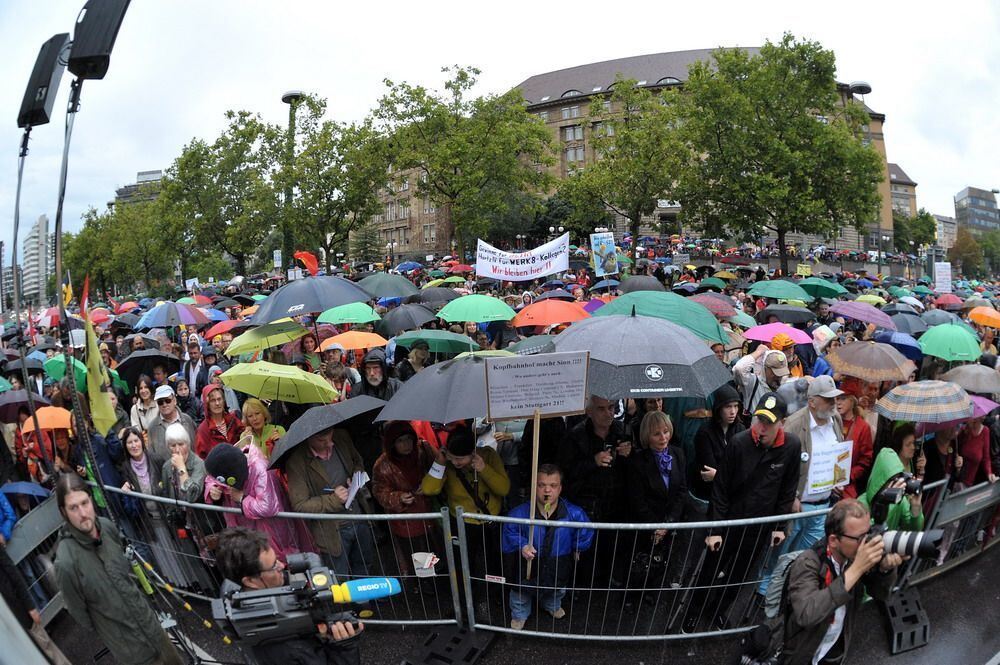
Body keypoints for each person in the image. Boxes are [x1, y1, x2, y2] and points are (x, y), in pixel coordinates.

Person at [684, 392, 801, 632]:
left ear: (782, 422)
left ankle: (718, 610)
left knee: (739, 575)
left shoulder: (791, 446)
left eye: (769, 422)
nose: (762, 427)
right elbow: (721, 489)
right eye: (760, 420)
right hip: (730, 523)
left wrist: (779, 527)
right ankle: (693, 612)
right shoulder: (739, 443)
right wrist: (714, 529)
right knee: (710, 570)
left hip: (759, 527)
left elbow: (787, 489)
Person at [54, 474, 184, 665]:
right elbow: (80, 614)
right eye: (73, 507)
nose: (82, 513)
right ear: (63, 512)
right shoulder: (65, 563)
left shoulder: (107, 528)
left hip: (154, 630)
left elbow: (125, 576)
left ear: (91, 499)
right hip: (131, 651)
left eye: (84, 503)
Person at [213, 528, 362, 665]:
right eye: (273, 566)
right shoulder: (289, 650)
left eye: (277, 559)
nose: (282, 566)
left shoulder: (233, 592)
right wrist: (344, 648)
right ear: (250, 581)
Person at [781, 499, 902, 665]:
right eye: (860, 538)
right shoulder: (808, 562)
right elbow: (806, 614)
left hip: (834, 649)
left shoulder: (852, 557)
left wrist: (885, 570)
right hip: (803, 653)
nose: (866, 543)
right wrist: (857, 569)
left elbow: (880, 594)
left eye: (869, 533)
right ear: (833, 540)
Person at [501, 464, 594, 630]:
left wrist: (578, 547)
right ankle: (520, 614)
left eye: (553, 485)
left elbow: (585, 531)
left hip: (559, 558)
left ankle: (551, 605)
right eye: (541, 485)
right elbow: (509, 531)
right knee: (521, 591)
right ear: (534, 486)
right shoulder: (519, 513)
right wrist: (522, 545)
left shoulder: (574, 513)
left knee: (557, 588)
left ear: (560, 488)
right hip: (529, 560)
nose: (547, 491)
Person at [422, 427, 509, 589]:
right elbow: (429, 489)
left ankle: (497, 592)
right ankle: (466, 598)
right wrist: (440, 462)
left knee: (494, 559)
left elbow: (503, 488)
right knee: (463, 563)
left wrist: (484, 469)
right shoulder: (445, 462)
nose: (456, 462)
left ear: (473, 452)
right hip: (462, 522)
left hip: (489, 519)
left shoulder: (488, 455)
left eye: (461, 458)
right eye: (453, 457)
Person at [285, 425, 375, 580]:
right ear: (308, 438)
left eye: (330, 436)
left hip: (359, 519)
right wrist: (333, 500)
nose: (329, 443)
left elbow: (357, 461)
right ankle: (348, 604)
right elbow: (300, 505)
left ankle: (366, 601)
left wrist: (355, 476)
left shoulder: (341, 437)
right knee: (340, 577)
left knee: (365, 565)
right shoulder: (297, 462)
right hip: (333, 531)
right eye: (321, 440)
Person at [203, 441, 312, 563]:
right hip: (248, 531)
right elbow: (212, 478)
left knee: (278, 563)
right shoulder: (229, 461)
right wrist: (213, 490)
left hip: (273, 531)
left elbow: (267, 506)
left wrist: (241, 499)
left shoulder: (260, 468)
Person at [372, 421, 440, 594]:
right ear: (392, 443)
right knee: (416, 552)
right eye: (401, 441)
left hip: (430, 512)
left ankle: (437, 579)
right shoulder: (383, 465)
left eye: (409, 439)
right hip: (406, 520)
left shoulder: (423, 451)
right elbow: (380, 492)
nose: (406, 445)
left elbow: (439, 468)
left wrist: (429, 484)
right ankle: (424, 584)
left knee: (434, 547)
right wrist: (398, 497)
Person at [860, 423, 925, 531]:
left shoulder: (901, 501)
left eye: (898, 478)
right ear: (881, 480)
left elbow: (914, 530)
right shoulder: (861, 504)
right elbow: (867, 534)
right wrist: (889, 504)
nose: (897, 484)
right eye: (893, 479)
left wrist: (916, 508)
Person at [691, 384, 745, 504]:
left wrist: (717, 475)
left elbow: (743, 468)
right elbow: (708, 469)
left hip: (734, 496)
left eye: (736, 406)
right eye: (728, 406)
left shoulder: (741, 430)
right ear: (719, 408)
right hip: (710, 496)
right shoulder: (705, 432)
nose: (733, 411)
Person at [832, 386, 874, 500]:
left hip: (847, 486)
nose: (838, 403)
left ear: (853, 400)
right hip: (826, 483)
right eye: (837, 399)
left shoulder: (863, 427)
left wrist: (848, 476)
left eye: (843, 398)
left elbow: (865, 459)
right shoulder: (829, 422)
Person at [147, 384, 198, 467]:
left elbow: (196, 446)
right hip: (166, 474)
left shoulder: (187, 420)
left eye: (167, 400)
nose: (164, 404)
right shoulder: (152, 427)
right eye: (160, 402)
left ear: (174, 400)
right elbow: (152, 457)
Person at [195, 383, 246, 459]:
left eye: (219, 399)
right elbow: (201, 458)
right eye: (213, 400)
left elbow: (244, 438)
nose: (217, 403)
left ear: (224, 401)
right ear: (207, 404)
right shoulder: (203, 430)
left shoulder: (233, 420)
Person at [957, 415, 999, 487]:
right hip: (958, 480)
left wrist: (989, 473)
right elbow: (955, 450)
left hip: (971, 482)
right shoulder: (963, 430)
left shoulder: (985, 431)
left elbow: (986, 458)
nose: (975, 419)